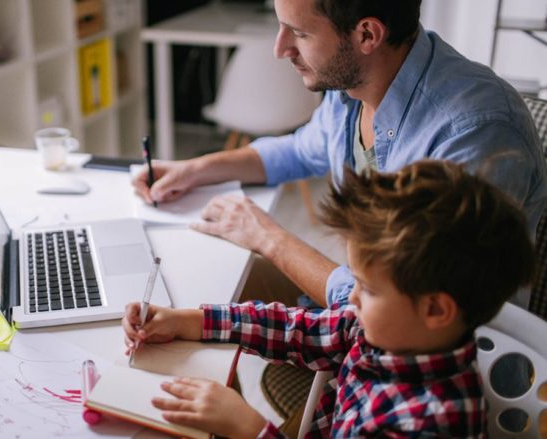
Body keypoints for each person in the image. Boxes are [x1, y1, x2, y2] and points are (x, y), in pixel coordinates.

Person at [132, 0, 546, 309]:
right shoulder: (353, 86)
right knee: (199, 290)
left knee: (215, 310)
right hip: (365, 303)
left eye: (300, 33)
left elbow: (402, 305)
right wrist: (194, 170)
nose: (280, 49)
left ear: (367, 35)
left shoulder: (474, 132)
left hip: (433, 361)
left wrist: (268, 237)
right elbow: (299, 149)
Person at [123, 160, 535, 438]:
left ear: (435, 310)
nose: (350, 296)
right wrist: (187, 321)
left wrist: (250, 429)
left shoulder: (427, 422)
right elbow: (298, 330)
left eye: (368, 289)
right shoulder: (387, 330)